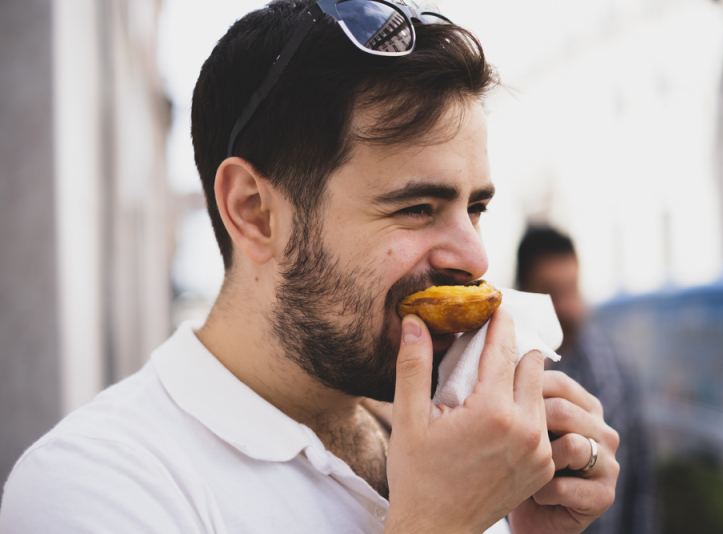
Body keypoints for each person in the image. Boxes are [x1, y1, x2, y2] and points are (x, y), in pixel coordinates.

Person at [0, 3, 619, 532]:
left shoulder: (460, 437)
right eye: (416, 207)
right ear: (254, 213)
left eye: (475, 207)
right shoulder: (95, 484)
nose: (475, 257)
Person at [516, 226, 655, 534]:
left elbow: (641, 474)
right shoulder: (498, 370)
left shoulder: (615, 362)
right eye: (552, 292)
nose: (566, 305)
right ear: (523, 290)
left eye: (572, 289)